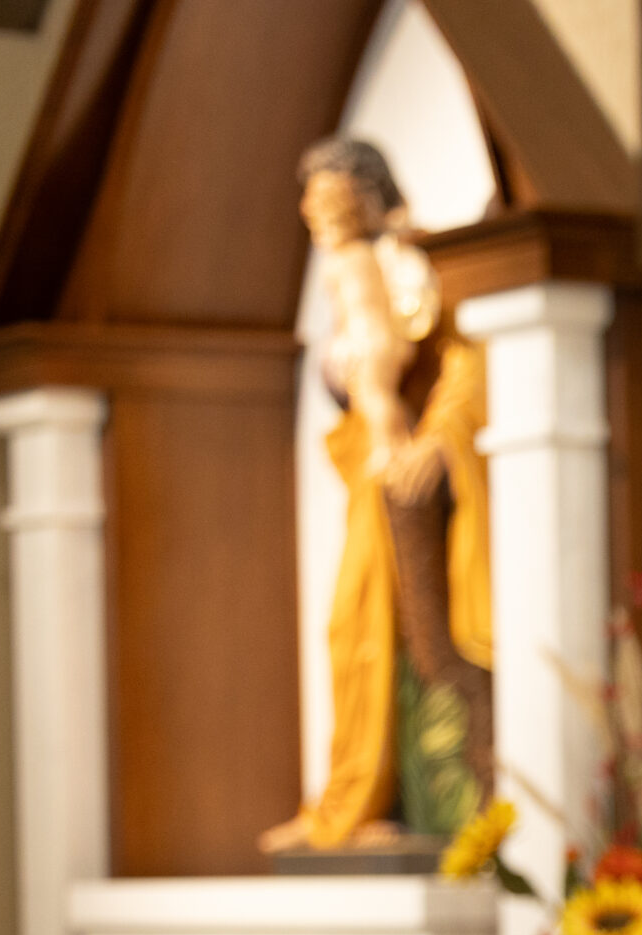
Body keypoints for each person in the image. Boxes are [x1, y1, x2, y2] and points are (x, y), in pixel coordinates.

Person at [260, 136, 494, 854]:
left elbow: (463, 362)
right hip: (374, 475)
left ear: (365, 192)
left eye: (327, 193)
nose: (312, 210)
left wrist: (437, 441)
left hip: (414, 485)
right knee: (352, 629)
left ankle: (437, 801)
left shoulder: (414, 262)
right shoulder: (349, 268)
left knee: (424, 642)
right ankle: (357, 797)